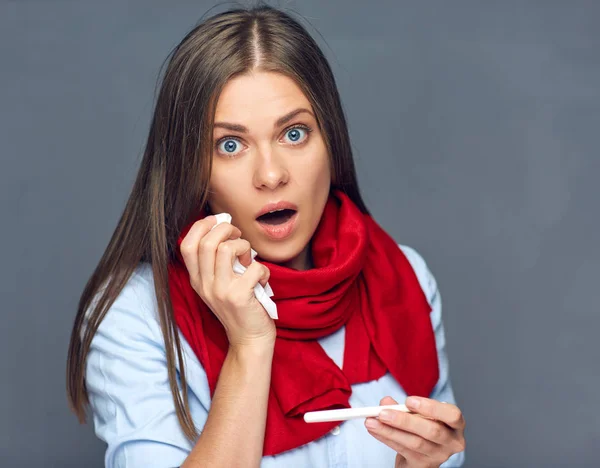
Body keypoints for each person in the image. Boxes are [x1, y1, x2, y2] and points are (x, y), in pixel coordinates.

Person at [66, 4, 466, 467]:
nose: (271, 174)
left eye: (294, 134)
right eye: (230, 145)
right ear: (191, 169)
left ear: (330, 142)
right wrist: (250, 345)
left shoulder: (405, 278)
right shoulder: (134, 316)